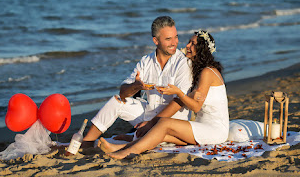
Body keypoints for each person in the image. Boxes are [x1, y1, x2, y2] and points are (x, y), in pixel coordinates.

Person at [98, 30, 229, 159]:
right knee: (162, 134)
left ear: (202, 49)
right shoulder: (200, 72)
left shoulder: (207, 72)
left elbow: (196, 107)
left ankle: (126, 153)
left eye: (193, 44)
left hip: (214, 130)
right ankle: (121, 147)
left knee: (164, 123)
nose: (188, 46)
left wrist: (178, 92)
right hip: (203, 127)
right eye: (189, 42)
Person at [81, 16, 192, 147]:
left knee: (142, 139)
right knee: (117, 101)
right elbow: (123, 93)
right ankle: (86, 143)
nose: (174, 42)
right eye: (168, 39)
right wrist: (135, 86)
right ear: (155, 40)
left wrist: (151, 123)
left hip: (172, 122)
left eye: (176, 37)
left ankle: (129, 139)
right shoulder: (146, 61)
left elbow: (179, 102)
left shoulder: (183, 63)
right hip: (149, 114)